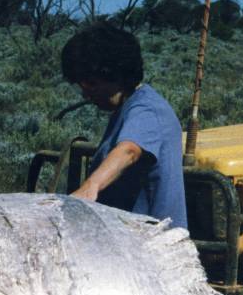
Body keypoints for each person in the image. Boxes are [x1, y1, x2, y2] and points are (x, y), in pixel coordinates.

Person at [61, 24, 186, 229]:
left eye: (92, 83)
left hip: (149, 243)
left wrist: (90, 187)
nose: (86, 94)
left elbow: (129, 150)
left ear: (115, 74)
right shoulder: (126, 108)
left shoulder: (147, 109)